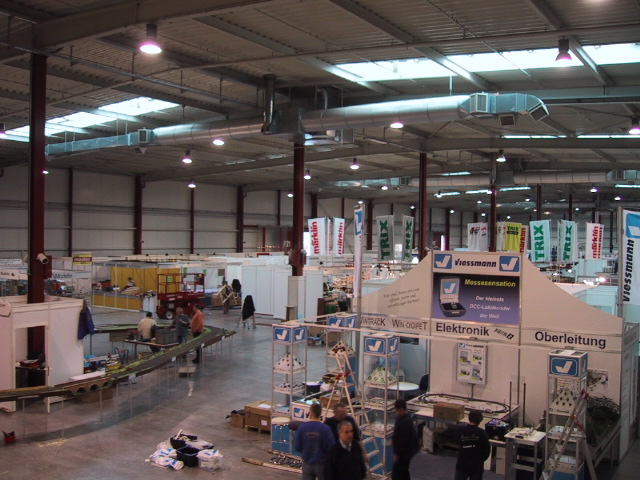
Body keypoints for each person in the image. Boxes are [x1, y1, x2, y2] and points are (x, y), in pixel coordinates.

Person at [293, 402, 335, 480]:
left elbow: (297, 446)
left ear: (310, 413)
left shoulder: (302, 428)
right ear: (320, 413)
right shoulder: (325, 429)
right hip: (322, 464)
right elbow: (331, 448)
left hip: (307, 463)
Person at [455, 410, 491, 480]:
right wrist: (480, 460)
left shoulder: (460, 430)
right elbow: (487, 451)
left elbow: (456, 440)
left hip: (462, 463)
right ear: (480, 420)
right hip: (476, 465)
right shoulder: (482, 433)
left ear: (469, 418)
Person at [392, 399, 418, 480]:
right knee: (404, 473)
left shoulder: (406, 422)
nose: (398, 413)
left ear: (405, 409)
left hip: (405, 453)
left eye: (400, 411)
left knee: (397, 474)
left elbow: (403, 441)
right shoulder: (400, 418)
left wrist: (397, 453)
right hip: (405, 452)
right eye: (397, 411)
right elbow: (397, 432)